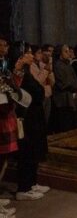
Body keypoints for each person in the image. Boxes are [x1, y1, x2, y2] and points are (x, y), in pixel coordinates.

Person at [0, 36, 31, 218]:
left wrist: (18, 70)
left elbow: (11, 87)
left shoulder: (3, 64)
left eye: (5, 44)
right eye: (1, 44)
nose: (5, 47)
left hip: (5, 116)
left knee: (3, 160)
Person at [13, 44, 50, 201]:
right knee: (27, 151)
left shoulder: (27, 71)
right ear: (20, 57)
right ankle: (24, 187)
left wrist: (40, 90)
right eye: (28, 53)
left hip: (35, 114)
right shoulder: (20, 73)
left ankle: (32, 183)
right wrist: (41, 90)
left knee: (34, 149)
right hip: (27, 116)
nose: (32, 56)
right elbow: (36, 90)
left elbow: (39, 90)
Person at [51, 44, 77, 133]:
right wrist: (75, 87)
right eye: (66, 51)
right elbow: (63, 83)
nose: (69, 54)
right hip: (63, 100)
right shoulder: (58, 65)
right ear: (60, 53)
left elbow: (74, 78)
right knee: (65, 125)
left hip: (70, 98)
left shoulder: (67, 65)